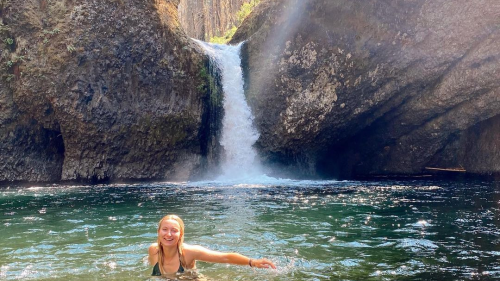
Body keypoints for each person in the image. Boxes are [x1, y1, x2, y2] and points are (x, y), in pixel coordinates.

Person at [148, 214, 277, 276]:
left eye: (174, 230)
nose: (169, 234)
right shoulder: (153, 250)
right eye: (165, 229)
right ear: (158, 231)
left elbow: (224, 257)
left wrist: (252, 262)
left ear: (181, 234)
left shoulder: (189, 252)